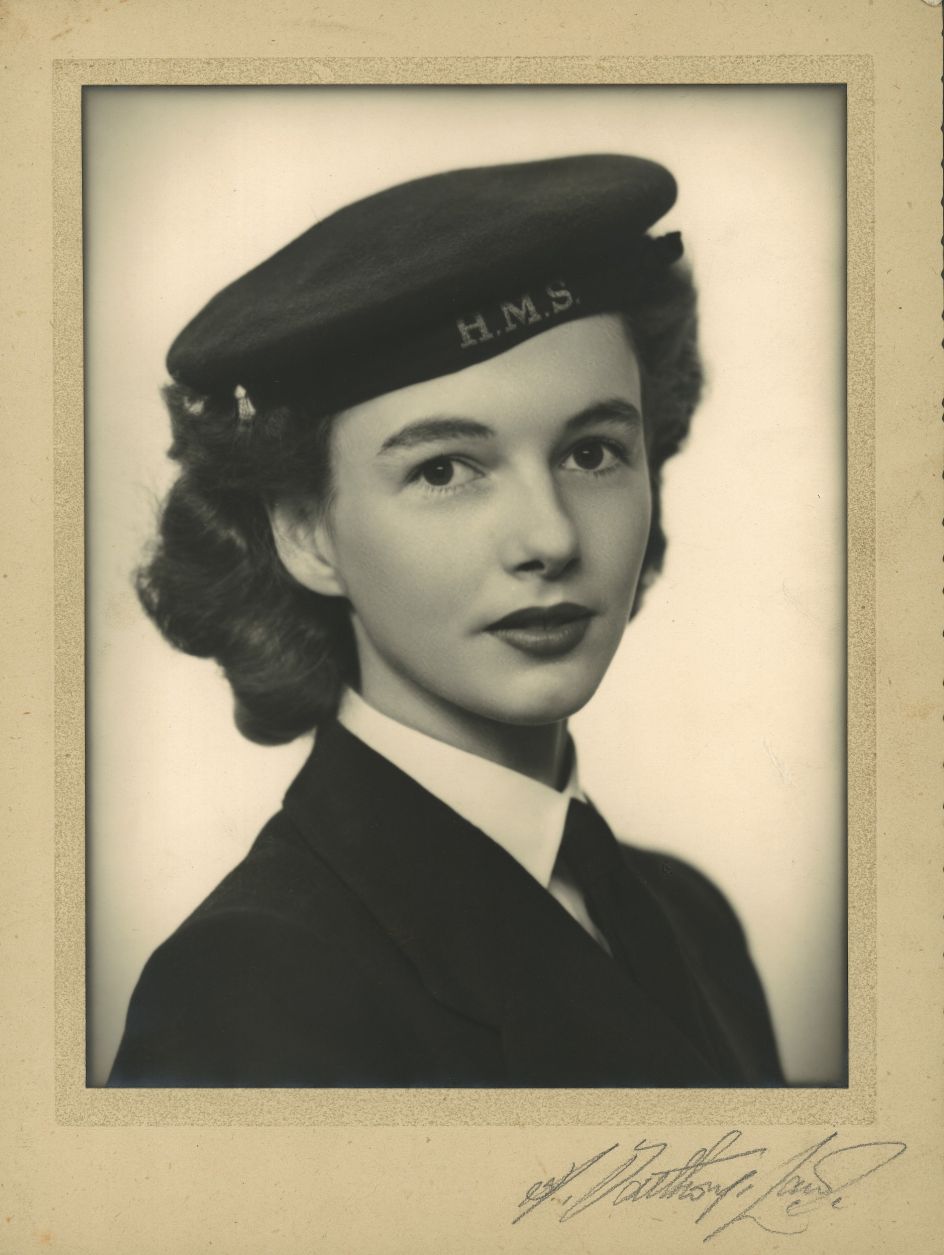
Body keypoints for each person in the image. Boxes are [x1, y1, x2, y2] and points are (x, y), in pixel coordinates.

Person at [108, 153, 784, 1088]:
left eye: (592, 453)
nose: (549, 536)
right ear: (307, 533)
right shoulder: (248, 990)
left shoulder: (690, 917)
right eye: (443, 470)